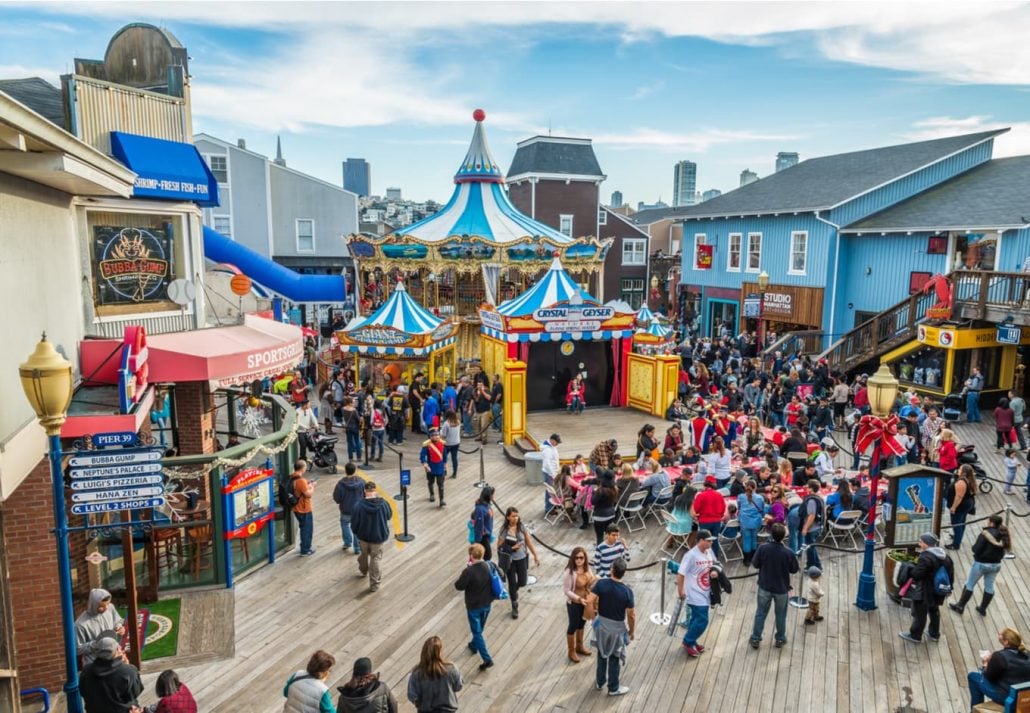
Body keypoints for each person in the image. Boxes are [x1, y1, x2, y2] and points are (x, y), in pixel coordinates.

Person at [748, 522, 799, 649]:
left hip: (764, 586)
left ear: (771, 534)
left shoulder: (763, 548)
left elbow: (755, 564)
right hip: (781, 589)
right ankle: (780, 639)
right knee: (781, 615)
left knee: (760, 613)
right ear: (783, 536)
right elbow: (794, 569)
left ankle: (755, 638)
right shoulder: (788, 552)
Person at [950, 513, 1011, 616]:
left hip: (981, 563)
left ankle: (960, 606)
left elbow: (976, 549)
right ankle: (982, 608)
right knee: (989, 586)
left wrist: (975, 550)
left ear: (991, 522)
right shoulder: (1004, 535)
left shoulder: (986, 533)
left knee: (970, 584)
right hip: (996, 565)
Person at [590, 557, 635, 696]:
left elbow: (589, 600)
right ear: (624, 572)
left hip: (601, 625)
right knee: (614, 657)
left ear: (611, 570)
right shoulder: (627, 592)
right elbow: (631, 615)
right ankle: (613, 688)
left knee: (602, 653)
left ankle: (600, 681)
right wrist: (631, 632)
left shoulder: (601, 584)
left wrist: (594, 618)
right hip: (617, 629)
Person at [899, 533, 954, 644]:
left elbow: (917, 575)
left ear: (926, 544)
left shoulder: (925, 557)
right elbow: (951, 574)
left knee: (920, 613)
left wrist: (910, 569)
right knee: (934, 610)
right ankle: (934, 634)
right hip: (939, 590)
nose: (919, 544)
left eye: (920, 542)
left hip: (925, 589)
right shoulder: (946, 557)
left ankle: (915, 636)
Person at [454, 543, 495, 671]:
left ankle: (487, 659)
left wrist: (466, 572)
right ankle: (474, 645)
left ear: (471, 556)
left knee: (477, 632)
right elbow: (501, 576)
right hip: (487, 603)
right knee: (479, 628)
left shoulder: (469, 571)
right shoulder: (490, 565)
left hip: (474, 606)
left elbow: (458, 586)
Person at [967, 628, 1030, 708]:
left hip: (1006, 697)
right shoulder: (1027, 654)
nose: (999, 634)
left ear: (1006, 642)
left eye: (1000, 635)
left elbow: (989, 677)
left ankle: (975, 711)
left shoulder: (1000, 657)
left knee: (973, 676)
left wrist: (986, 664)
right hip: (1023, 696)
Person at [79, 635, 143, 713]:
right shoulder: (129, 671)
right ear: (117, 650)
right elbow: (133, 695)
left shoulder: (86, 670)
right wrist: (127, 666)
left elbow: (83, 692)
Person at [678, 529, 716, 658]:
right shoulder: (690, 555)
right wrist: (680, 591)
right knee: (702, 620)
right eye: (708, 540)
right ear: (701, 540)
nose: (711, 543)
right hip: (695, 594)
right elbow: (681, 573)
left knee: (695, 619)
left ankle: (691, 640)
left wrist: (715, 572)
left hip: (707, 592)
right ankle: (688, 641)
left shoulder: (709, 552)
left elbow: (715, 564)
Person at [350, 480, 393, 593]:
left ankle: (363, 570)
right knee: (376, 559)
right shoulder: (383, 504)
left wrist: (356, 532)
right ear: (375, 490)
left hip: (363, 537)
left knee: (364, 554)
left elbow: (354, 523)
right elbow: (389, 516)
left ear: (364, 491)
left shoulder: (358, 505)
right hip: (378, 537)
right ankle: (374, 584)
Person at [497, 507, 539, 620]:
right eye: (513, 516)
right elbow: (499, 547)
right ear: (508, 517)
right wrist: (511, 547)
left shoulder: (521, 527)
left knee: (522, 581)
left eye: (517, 515)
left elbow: (528, 541)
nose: (516, 518)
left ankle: (513, 592)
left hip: (521, 558)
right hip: (510, 560)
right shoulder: (504, 530)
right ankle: (514, 604)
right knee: (511, 582)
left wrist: (535, 555)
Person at [407, 636, 464, 713]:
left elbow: (412, 696)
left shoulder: (416, 673)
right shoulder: (451, 668)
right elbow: (458, 686)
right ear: (439, 652)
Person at [563, 546, 598, 663]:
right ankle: (571, 650)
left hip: (586, 601)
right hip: (574, 603)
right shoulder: (569, 572)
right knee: (572, 625)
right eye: (576, 558)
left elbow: (591, 581)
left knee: (582, 624)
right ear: (573, 558)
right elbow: (567, 590)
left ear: (585, 559)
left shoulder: (587, 569)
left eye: (581, 558)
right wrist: (578, 598)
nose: (579, 560)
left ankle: (579, 646)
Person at [75, 588, 126, 666]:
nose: (106, 608)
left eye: (107, 604)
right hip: (94, 664)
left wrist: (119, 627)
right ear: (93, 604)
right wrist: (98, 644)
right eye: (101, 606)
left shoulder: (110, 608)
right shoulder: (80, 624)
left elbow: (118, 621)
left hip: (114, 659)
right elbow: (77, 649)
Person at [332, 462, 364, 555]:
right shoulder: (361, 482)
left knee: (345, 525)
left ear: (345, 471)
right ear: (355, 470)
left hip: (345, 509)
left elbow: (337, 498)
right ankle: (357, 548)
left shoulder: (341, 484)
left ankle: (347, 542)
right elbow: (365, 494)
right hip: (358, 510)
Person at [693, 476, 726, 558]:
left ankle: (704, 558)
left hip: (704, 522)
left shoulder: (701, 496)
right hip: (716, 521)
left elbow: (696, 509)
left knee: (704, 541)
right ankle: (714, 558)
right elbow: (723, 508)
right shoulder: (719, 495)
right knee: (715, 540)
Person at [946, 464, 978, 549]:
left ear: (964, 472)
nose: (958, 470)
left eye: (960, 469)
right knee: (961, 522)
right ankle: (958, 537)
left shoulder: (962, 482)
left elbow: (959, 496)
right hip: (967, 504)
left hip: (961, 506)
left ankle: (956, 544)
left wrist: (953, 507)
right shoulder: (969, 480)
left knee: (956, 524)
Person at [737, 480, 766, 566]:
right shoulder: (760, 498)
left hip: (745, 521)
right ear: (755, 487)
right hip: (756, 521)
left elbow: (739, 507)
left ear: (745, 487)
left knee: (746, 539)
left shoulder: (740, 497)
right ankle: (754, 557)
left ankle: (747, 560)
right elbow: (762, 509)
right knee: (754, 539)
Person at [291, 460, 317, 556]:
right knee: (307, 529)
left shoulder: (293, 477)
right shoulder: (301, 481)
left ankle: (304, 547)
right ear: (302, 468)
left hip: (296, 507)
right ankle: (305, 550)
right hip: (304, 508)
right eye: (305, 466)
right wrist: (312, 487)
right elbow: (308, 494)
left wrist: (308, 483)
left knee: (303, 528)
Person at [589, 472, 620, 545]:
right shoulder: (615, 489)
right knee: (609, 533)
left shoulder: (600, 491)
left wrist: (594, 492)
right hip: (611, 514)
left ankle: (600, 550)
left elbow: (593, 501)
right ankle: (610, 547)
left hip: (600, 516)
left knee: (600, 536)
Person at [420, 428, 448, 506]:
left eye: (437, 435)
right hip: (431, 467)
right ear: (430, 436)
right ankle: (432, 494)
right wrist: (425, 465)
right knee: (430, 482)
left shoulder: (442, 444)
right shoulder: (427, 445)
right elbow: (422, 456)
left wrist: (445, 464)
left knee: (441, 485)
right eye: (433, 435)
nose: (435, 437)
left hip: (440, 467)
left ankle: (441, 500)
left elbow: (444, 456)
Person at [800, 479, 824, 569]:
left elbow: (811, 516)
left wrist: (805, 528)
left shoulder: (811, 501)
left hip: (812, 528)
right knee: (812, 547)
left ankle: (812, 566)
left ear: (810, 488)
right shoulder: (819, 498)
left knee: (810, 549)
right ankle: (816, 564)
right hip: (818, 526)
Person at [471, 486, 495, 561]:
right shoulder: (480, 509)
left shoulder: (486, 506)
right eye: (493, 495)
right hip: (482, 538)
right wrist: (477, 542)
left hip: (487, 535)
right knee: (487, 556)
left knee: (487, 556)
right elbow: (479, 525)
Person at [541, 433, 561, 514]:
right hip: (549, 473)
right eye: (557, 442)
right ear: (552, 440)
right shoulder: (547, 450)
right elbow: (547, 464)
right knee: (550, 491)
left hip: (553, 472)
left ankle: (552, 506)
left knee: (552, 490)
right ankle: (549, 508)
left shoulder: (552, 447)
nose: (557, 444)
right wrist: (553, 474)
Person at [440, 410, 462, 480]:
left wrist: (440, 431)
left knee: (443, 457)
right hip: (456, 442)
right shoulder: (458, 422)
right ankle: (454, 473)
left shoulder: (446, 423)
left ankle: (444, 470)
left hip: (448, 443)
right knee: (454, 458)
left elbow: (443, 435)